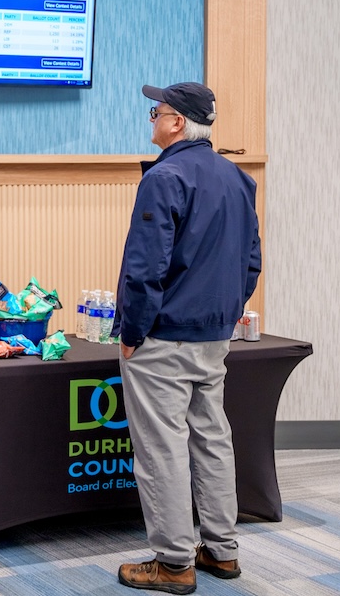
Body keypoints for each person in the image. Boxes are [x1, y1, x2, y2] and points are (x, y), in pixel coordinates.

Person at [113, 82, 260, 594]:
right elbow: (251, 262)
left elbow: (144, 269)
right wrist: (224, 316)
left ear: (177, 123)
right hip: (214, 337)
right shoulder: (238, 179)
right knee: (213, 439)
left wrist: (132, 331)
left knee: (162, 449)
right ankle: (221, 552)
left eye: (158, 112)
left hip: (164, 340)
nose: (152, 117)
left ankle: (174, 563)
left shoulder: (164, 176)